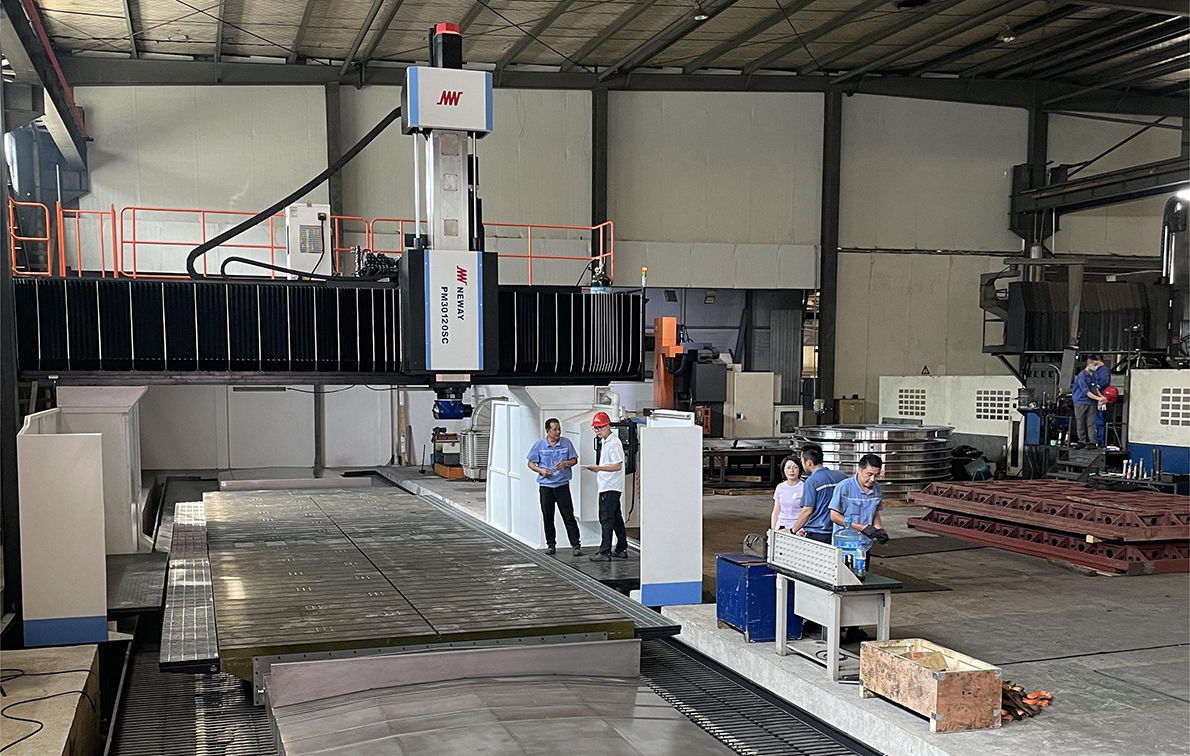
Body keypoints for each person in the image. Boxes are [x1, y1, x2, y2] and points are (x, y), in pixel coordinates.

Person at [526, 418, 582, 556]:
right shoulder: (539, 445)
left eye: (559, 429)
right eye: (555, 429)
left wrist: (565, 464)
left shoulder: (566, 443)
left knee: (568, 515)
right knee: (548, 516)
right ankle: (551, 544)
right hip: (546, 486)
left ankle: (576, 545)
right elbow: (530, 463)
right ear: (547, 430)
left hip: (562, 485)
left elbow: (574, 460)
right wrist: (541, 471)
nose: (558, 432)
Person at [584, 411, 626, 562]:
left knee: (606, 518)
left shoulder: (613, 443)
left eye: (600, 427)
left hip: (610, 486)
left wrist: (599, 468)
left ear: (608, 426)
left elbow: (617, 465)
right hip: (610, 485)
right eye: (595, 428)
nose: (597, 430)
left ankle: (605, 551)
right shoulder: (606, 441)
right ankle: (621, 548)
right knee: (616, 517)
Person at [829, 454, 889, 550]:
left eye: (876, 475)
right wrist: (863, 528)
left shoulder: (877, 489)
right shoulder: (844, 487)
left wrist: (878, 530)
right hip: (845, 545)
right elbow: (834, 516)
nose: (872, 479)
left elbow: (875, 512)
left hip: (865, 545)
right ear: (860, 469)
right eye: (869, 475)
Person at [790, 444, 848, 544]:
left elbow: (807, 510)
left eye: (802, 461)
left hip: (818, 533)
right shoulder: (841, 476)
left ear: (808, 462)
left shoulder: (811, 481)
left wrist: (792, 530)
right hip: (839, 530)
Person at [1071, 354, 1108, 448]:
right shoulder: (1081, 376)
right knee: (1080, 422)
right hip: (1080, 402)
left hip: (1091, 402)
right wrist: (1099, 398)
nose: (1096, 367)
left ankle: (1092, 441)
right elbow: (1087, 392)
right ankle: (1082, 441)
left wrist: (1101, 397)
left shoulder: (1094, 375)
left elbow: (1095, 388)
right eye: (1095, 365)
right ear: (1090, 364)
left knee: (1091, 422)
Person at [770, 455, 805, 532]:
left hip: (797, 528)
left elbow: (806, 511)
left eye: (795, 467)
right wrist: (773, 529)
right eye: (788, 467)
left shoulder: (804, 487)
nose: (791, 470)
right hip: (781, 526)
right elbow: (776, 510)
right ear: (783, 470)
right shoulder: (780, 487)